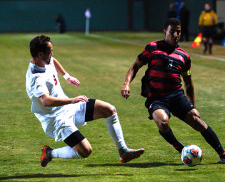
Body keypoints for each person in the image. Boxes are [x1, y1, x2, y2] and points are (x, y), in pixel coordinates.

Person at [121, 18, 225, 165]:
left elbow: (188, 84)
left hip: (176, 96)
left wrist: (193, 106)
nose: (176, 35)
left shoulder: (184, 57)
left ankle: (224, 156)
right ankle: (181, 148)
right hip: (156, 98)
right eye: (172, 32)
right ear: (165, 32)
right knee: (162, 122)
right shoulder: (152, 47)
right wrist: (126, 84)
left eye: (178, 32)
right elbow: (135, 66)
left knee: (198, 122)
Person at [26, 35, 144, 167]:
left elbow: (53, 61)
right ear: (40, 54)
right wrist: (71, 100)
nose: (52, 54)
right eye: (50, 52)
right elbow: (46, 101)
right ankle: (49, 153)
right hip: (56, 119)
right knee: (85, 151)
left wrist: (67, 76)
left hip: (68, 107)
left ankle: (123, 151)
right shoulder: (36, 78)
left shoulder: (46, 60)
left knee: (109, 110)